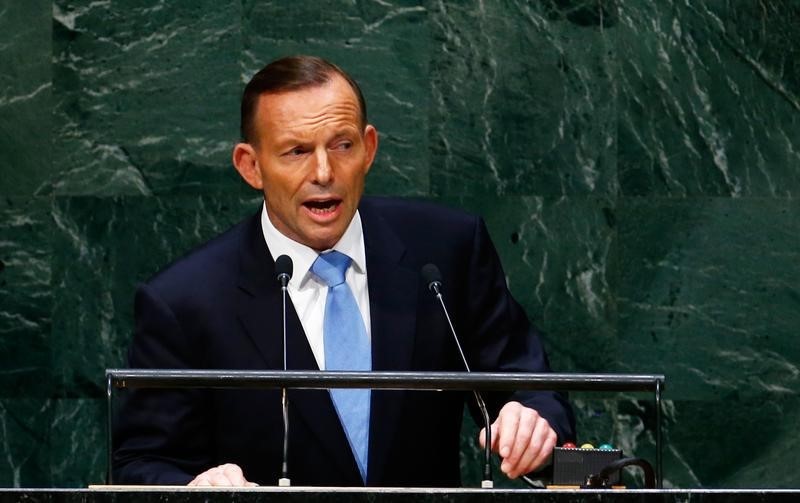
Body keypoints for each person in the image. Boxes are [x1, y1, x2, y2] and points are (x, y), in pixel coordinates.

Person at [113, 55, 575, 487]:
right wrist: (197, 487)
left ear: (369, 148)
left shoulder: (444, 251)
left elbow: (529, 384)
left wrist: (531, 418)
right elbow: (141, 463)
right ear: (250, 166)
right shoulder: (184, 300)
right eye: (296, 151)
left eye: (342, 145)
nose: (323, 171)